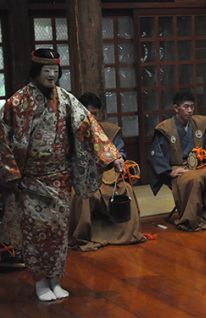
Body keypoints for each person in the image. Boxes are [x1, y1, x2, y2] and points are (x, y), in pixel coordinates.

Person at [0, 49, 124, 301]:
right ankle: (40, 283)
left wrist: (112, 155)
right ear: (36, 72)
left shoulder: (65, 99)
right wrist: (11, 173)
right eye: (47, 71)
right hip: (31, 180)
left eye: (56, 72)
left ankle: (55, 279)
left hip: (60, 178)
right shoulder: (18, 102)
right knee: (36, 232)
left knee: (57, 233)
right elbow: (3, 140)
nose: (52, 76)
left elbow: (87, 125)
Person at [68, 93, 146, 251]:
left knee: (126, 189)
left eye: (95, 113)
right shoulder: (71, 132)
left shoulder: (108, 131)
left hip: (107, 176)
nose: (92, 117)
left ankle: (129, 234)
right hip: (80, 179)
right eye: (88, 113)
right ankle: (82, 237)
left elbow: (119, 153)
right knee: (81, 196)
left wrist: (117, 161)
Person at [147, 91, 206, 231]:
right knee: (193, 179)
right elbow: (156, 155)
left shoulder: (200, 124)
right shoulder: (166, 128)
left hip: (200, 165)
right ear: (176, 108)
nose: (189, 110)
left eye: (192, 107)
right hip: (179, 167)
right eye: (186, 107)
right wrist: (169, 172)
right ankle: (192, 220)